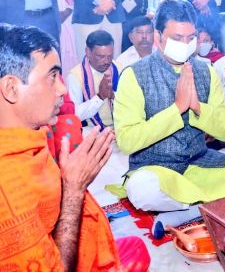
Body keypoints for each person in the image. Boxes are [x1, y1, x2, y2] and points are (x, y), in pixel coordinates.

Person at [112, 0, 225, 226]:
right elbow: (127, 141)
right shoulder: (134, 75)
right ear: (158, 37)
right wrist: (177, 109)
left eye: (191, 37)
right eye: (177, 38)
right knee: (143, 190)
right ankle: (213, 203)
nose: (186, 44)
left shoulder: (206, 71)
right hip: (157, 169)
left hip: (202, 164)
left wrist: (199, 108)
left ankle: (189, 211)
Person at [0, 24, 149, 271]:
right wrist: (73, 189)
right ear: (11, 88)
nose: (61, 89)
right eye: (51, 76)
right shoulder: (8, 190)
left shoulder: (30, 138)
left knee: (134, 247)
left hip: (61, 247)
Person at [67, 30, 121, 131]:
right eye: (100, 56)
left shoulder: (118, 68)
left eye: (110, 56)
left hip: (118, 127)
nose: (106, 61)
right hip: (90, 129)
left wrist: (113, 95)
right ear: (88, 52)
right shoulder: (75, 76)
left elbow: (129, 102)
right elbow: (75, 114)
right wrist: (100, 97)